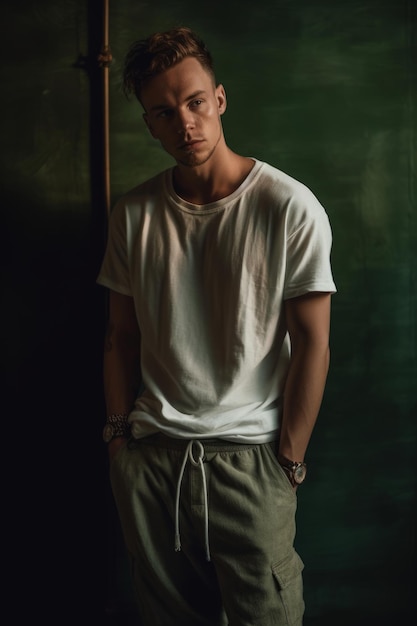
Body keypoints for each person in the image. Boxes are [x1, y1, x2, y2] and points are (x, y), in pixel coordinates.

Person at [97, 26, 336, 626]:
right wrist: (121, 442)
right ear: (149, 124)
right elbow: (121, 338)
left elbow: (313, 342)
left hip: (250, 462)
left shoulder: (288, 206)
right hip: (152, 461)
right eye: (163, 112)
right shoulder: (134, 214)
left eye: (195, 102)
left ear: (220, 98)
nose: (185, 123)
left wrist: (289, 462)